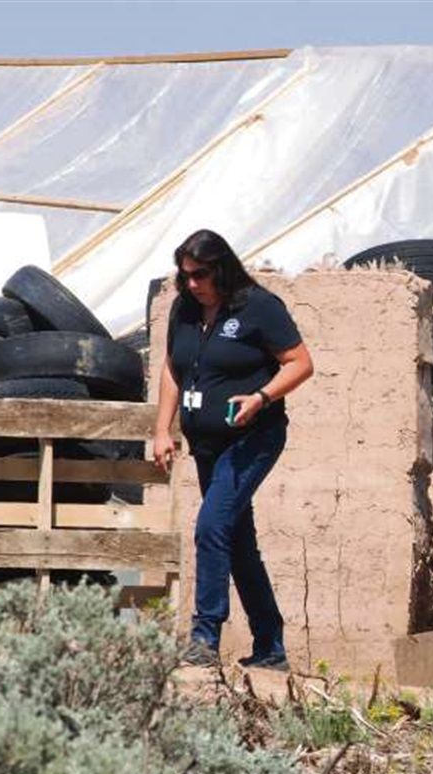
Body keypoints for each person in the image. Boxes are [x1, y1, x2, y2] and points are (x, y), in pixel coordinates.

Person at [153, 229, 313, 670]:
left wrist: (262, 396)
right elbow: (172, 369)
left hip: (252, 439)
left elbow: (301, 363)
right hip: (207, 444)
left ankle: (204, 637)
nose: (192, 284)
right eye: (185, 275)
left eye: (200, 275)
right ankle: (271, 647)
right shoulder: (184, 309)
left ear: (221, 269)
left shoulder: (258, 307)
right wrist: (162, 429)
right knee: (237, 542)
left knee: (211, 526)